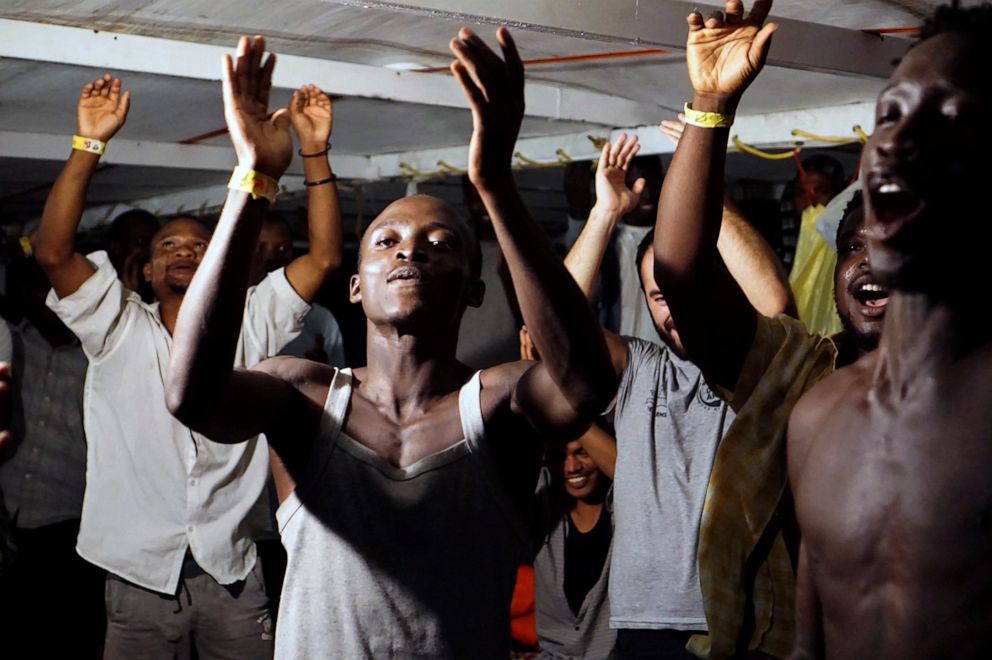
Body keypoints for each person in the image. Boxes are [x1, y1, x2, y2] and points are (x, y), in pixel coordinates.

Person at [165, 30, 617, 659]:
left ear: (475, 291)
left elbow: (585, 385)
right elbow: (192, 396)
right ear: (355, 287)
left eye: (442, 242)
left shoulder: (498, 403)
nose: (412, 248)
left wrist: (495, 185)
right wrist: (253, 180)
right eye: (387, 240)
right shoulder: (303, 395)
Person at [34, 68, 339, 658]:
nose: (183, 252)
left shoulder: (255, 317)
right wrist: (88, 143)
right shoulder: (114, 325)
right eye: (167, 247)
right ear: (145, 272)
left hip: (232, 572)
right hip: (136, 576)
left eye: (199, 245)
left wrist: (315, 151)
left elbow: (325, 257)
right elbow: (52, 251)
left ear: (220, 258)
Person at [651, 1, 888, 655]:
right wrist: (709, 106)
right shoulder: (794, 371)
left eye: (896, 244)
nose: (871, 263)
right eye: (855, 247)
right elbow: (681, 271)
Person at [787, 2, 992, 657]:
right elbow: (807, 646)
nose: (900, 140)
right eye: (890, 113)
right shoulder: (817, 417)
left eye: (952, 117)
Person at [565, 131, 793, 660]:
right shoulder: (642, 367)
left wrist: (701, 193)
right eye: (661, 295)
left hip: (737, 626)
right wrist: (605, 214)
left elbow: (775, 303)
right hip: (643, 625)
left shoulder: (758, 366)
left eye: (691, 285)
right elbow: (560, 323)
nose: (677, 307)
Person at [0, 253, 105, 657]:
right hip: (4, 511)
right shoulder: (9, 342)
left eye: (49, 287)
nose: (40, 297)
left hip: (65, 521)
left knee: (59, 633)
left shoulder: (98, 356)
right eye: (31, 288)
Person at [533, 425, 618, 659]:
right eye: (559, 456)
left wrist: (573, 418)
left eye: (583, 452)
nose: (571, 467)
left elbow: (629, 474)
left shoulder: (625, 507)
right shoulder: (543, 506)